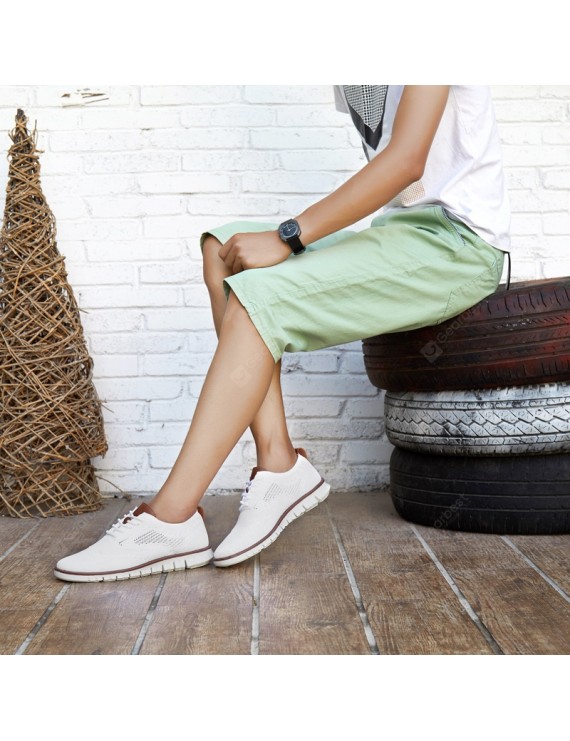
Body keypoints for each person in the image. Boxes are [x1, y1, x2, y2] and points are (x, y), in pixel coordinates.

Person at [54, 85, 511, 582]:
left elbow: (406, 161)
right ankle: (279, 463)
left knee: (261, 294)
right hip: (399, 232)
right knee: (221, 251)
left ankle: (171, 518)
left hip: (457, 244)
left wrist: (287, 237)